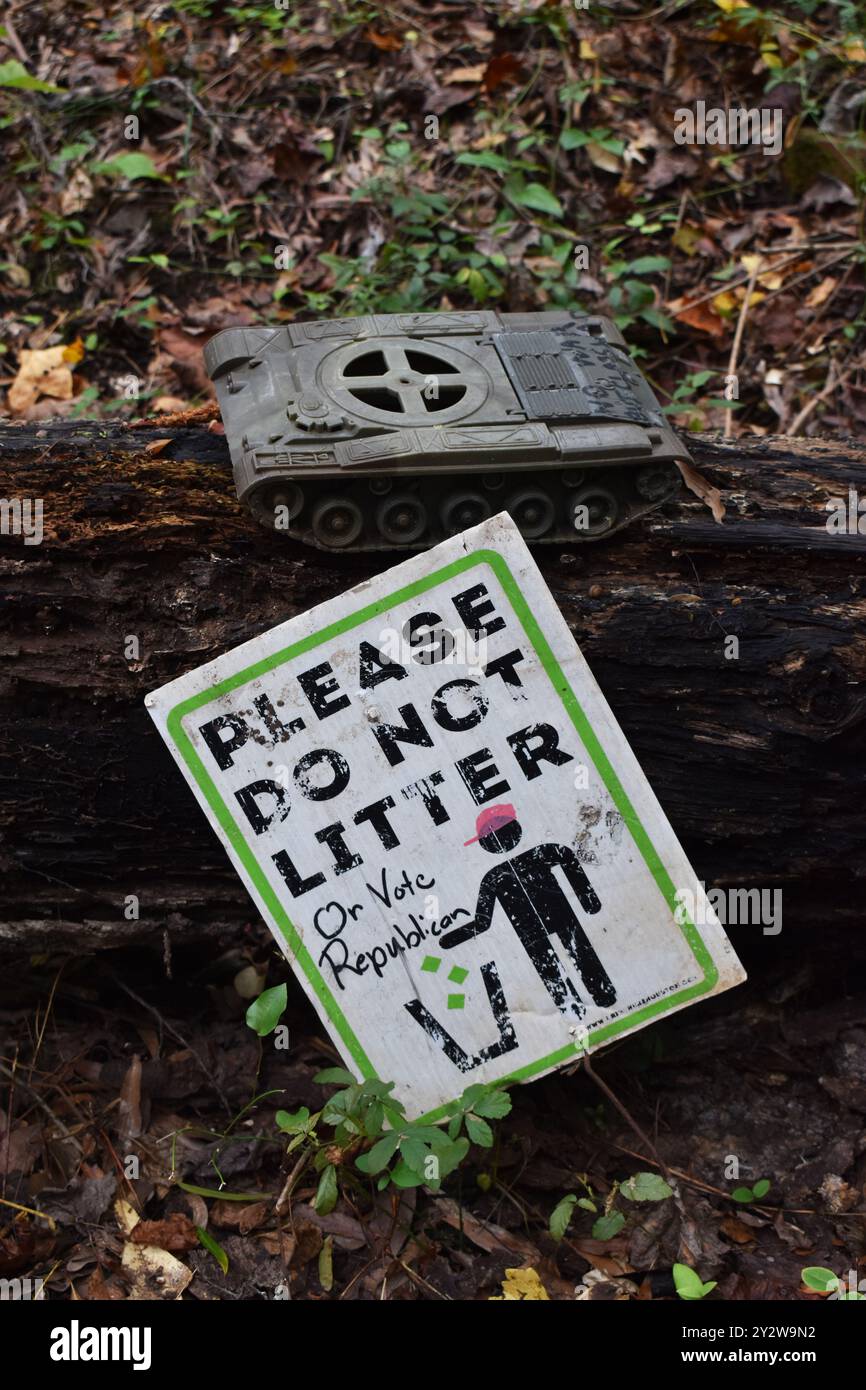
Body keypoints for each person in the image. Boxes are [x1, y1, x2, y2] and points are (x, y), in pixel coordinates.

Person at [440, 803, 616, 1018]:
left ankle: (586, 1004)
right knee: (563, 963)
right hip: (541, 924)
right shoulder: (512, 867)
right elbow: (483, 921)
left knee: (569, 960)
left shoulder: (498, 874)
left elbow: (482, 921)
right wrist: (589, 902)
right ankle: (592, 1001)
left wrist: (589, 900)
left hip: (544, 922)